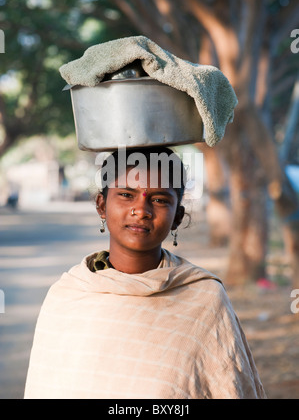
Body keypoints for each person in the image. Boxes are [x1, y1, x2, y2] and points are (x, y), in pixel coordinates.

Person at [24, 146, 266, 399]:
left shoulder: (204, 298)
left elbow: (228, 387)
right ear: (101, 205)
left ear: (177, 217)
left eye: (159, 199)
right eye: (127, 195)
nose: (141, 210)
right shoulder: (68, 294)